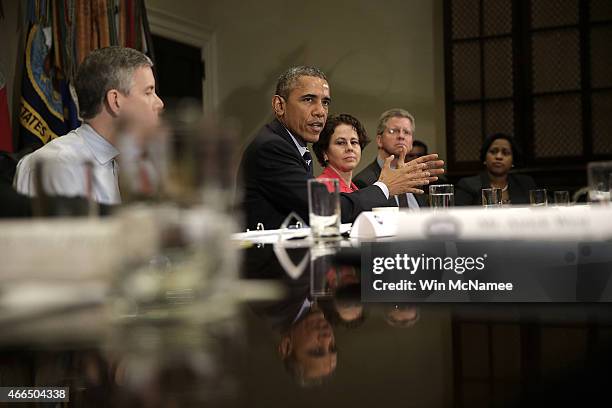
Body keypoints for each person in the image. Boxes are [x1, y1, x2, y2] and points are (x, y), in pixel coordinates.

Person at [238, 67, 444, 230]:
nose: (320, 111)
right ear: (279, 105)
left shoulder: (293, 145)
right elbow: (326, 211)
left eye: (325, 102)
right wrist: (385, 187)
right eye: (308, 99)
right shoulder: (273, 147)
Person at [14, 46, 164, 205]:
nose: (160, 103)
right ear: (115, 101)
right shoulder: (58, 165)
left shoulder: (134, 168)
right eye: (148, 92)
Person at [354, 108, 428, 208]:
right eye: (394, 131)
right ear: (379, 140)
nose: (401, 136)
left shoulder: (415, 179)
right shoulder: (363, 182)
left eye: (407, 132)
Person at [455, 133, 536, 206]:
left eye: (505, 153)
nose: (499, 157)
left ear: (513, 161)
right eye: (493, 152)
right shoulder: (468, 185)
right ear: (485, 158)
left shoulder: (526, 184)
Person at [312, 113, 368, 193]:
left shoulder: (355, 188)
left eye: (354, 142)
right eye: (341, 143)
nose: (350, 148)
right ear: (324, 152)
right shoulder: (321, 188)